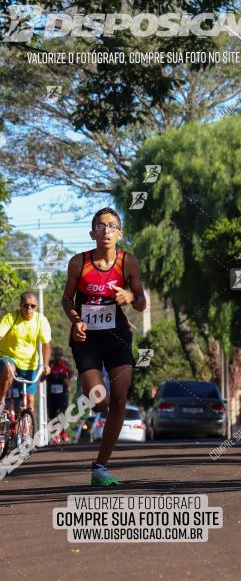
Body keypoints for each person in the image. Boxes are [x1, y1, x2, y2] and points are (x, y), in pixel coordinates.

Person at [62, 207, 146, 487]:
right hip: (86, 339)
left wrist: (130, 295)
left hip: (117, 337)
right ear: (92, 232)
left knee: (120, 400)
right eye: (100, 226)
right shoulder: (79, 263)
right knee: (99, 401)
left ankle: (100, 467)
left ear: (120, 234)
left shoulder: (128, 263)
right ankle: (88, 389)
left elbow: (142, 302)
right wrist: (75, 319)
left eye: (112, 226)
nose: (106, 230)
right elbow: (67, 299)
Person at [0, 291, 52, 418]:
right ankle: (1, 402)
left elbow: (46, 344)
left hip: (29, 363)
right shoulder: (11, 318)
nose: (29, 309)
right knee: (9, 368)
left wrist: (45, 364)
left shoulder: (41, 320)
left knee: (29, 401)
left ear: (37, 306)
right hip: (8, 357)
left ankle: (27, 430)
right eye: (26, 305)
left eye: (33, 306)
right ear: (20, 304)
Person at [47, 347, 73, 444]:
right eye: (56, 355)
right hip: (51, 392)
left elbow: (72, 373)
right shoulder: (50, 363)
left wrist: (68, 379)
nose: (57, 357)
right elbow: (45, 374)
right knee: (52, 414)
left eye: (59, 355)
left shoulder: (65, 364)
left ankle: (63, 432)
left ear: (61, 355)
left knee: (63, 413)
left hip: (62, 392)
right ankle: (55, 434)